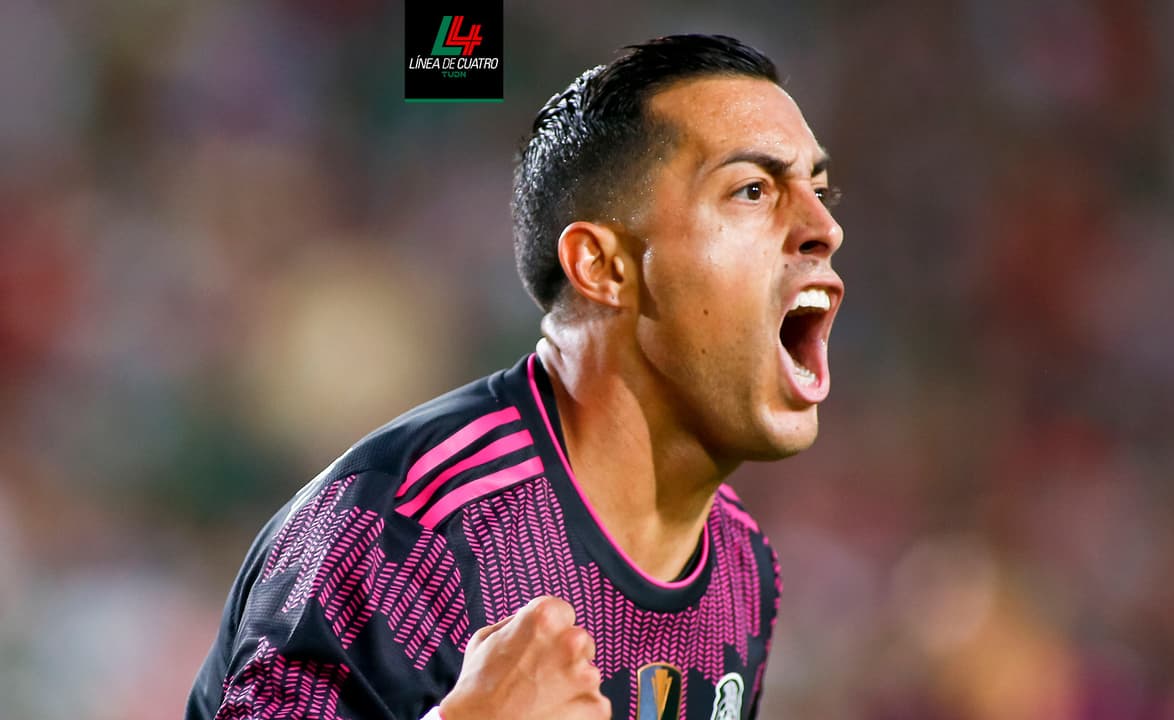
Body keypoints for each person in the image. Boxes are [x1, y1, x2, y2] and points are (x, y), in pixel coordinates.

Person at [186, 33, 843, 720]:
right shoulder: (400, 529)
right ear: (603, 267)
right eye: (752, 190)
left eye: (821, 191)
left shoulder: (742, 569)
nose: (825, 228)